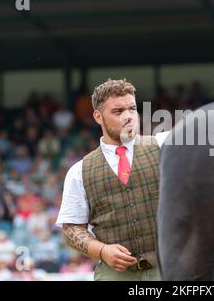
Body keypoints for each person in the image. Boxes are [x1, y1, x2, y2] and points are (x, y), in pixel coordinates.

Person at [56, 79, 169, 281]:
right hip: (114, 273)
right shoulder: (78, 171)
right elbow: (72, 228)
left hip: (168, 265)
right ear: (98, 117)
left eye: (132, 109)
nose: (128, 117)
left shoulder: (165, 145)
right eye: (118, 111)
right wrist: (102, 251)